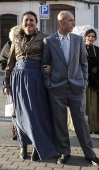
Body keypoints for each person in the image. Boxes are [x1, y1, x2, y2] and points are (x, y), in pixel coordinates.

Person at [42, 11, 99, 166]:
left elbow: (84, 63)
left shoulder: (78, 40)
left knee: (81, 122)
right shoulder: (49, 41)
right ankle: (64, 152)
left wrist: (84, 81)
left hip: (77, 87)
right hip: (57, 87)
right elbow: (45, 64)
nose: (73, 23)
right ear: (61, 22)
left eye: (73, 20)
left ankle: (89, 153)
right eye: (71, 20)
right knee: (60, 122)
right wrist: (49, 83)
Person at [3, 11, 57, 161]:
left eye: (31, 20)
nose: (29, 23)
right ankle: (23, 145)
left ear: (36, 23)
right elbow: (10, 61)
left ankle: (37, 145)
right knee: (19, 114)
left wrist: (51, 67)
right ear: (22, 22)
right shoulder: (16, 39)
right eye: (26, 20)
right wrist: (6, 82)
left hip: (36, 77)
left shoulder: (44, 37)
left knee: (35, 113)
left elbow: (51, 57)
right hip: (18, 77)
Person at [0, 25, 21, 140]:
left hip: (24, 80)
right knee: (13, 108)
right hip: (12, 80)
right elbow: (2, 62)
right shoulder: (8, 46)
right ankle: (15, 131)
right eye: (16, 35)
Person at [84, 29, 99, 133]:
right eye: (89, 36)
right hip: (81, 78)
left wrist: (97, 69)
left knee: (92, 104)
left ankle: (93, 126)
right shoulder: (79, 48)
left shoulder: (98, 50)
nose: (90, 38)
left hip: (94, 80)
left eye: (92, 36)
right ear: (85, 37)